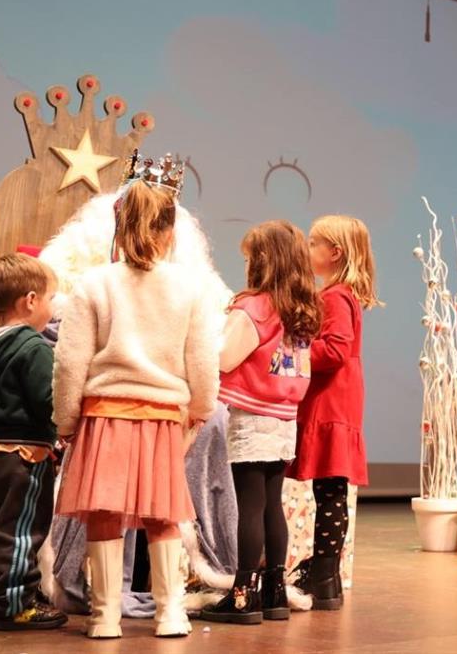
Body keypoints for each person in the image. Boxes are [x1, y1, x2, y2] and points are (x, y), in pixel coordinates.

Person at [52, 173, 219, 638]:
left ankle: (105, 617)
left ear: (118, 229)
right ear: (170, 233)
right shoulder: (190, 289)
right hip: (164, 417)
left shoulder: (93, 284)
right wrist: (201, 407)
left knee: (104, 513)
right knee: (162, 514)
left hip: (105, 414)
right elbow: (202, 360)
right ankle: (171, 613)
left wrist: (65, 420)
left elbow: (70, 362)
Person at [202, 221, 319, 624]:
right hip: (285, 417)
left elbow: (224, 358)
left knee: (249, 506)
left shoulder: (253, 307)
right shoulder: (300, 308)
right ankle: (274, 593)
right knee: (272, 505)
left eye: (252, 256)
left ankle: (241, 596)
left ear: (263, 261)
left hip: (253, 415)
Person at [0, 253, 68, 630]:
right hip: (25, 456)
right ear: (31, 300)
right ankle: (15, 603)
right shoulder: (35, 348)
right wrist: (63, 425)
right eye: (51, 299)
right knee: (19, 530)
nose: (52, 308)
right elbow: (48, 402)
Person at [289, 215, 381, 609]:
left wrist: (294, 354)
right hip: (337, 397)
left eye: (313, 243)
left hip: (332, 399)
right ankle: (326, 573)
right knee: (330, 489)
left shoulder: (334, 297)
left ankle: (325, 573)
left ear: (335, 252)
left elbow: (336, 348)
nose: (307, 251)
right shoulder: (339, 294)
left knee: (330, 490)